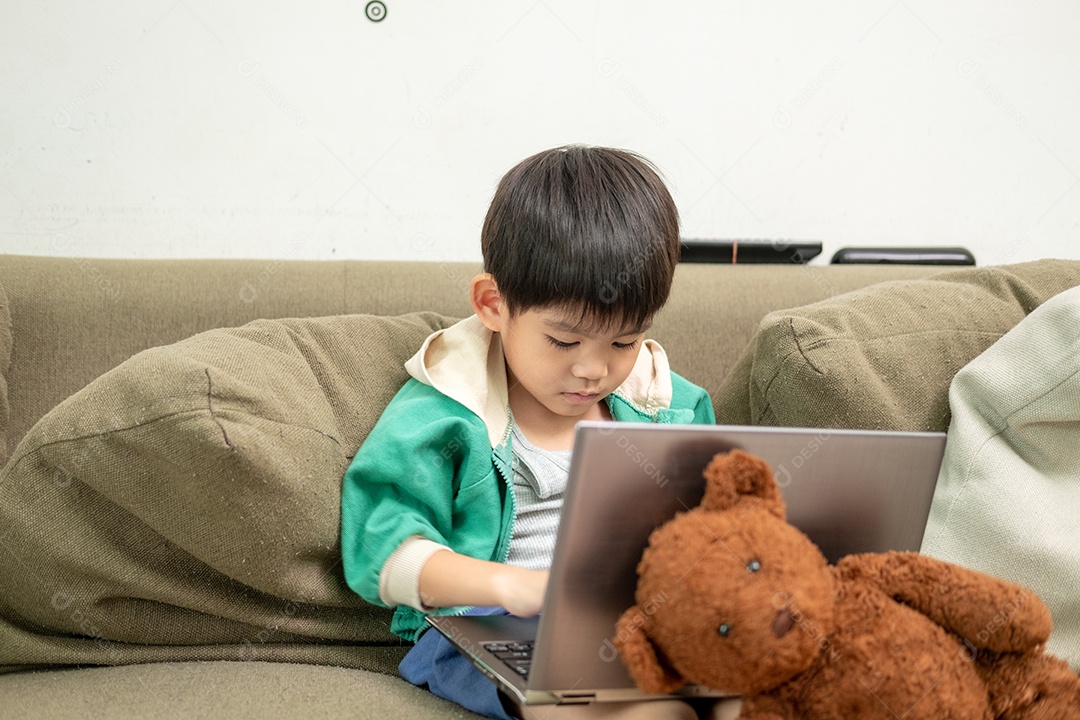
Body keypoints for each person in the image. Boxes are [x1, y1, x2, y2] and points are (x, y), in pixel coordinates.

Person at [340, 145, 729, 719]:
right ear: (494, 304)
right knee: (638, 712)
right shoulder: (446, 410)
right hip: (489, 627)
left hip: (639, 622)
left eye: (623, 342)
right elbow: (385, 555)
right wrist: (511, 587)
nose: (593, 369)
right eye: (564, 342)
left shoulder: (668, 406)